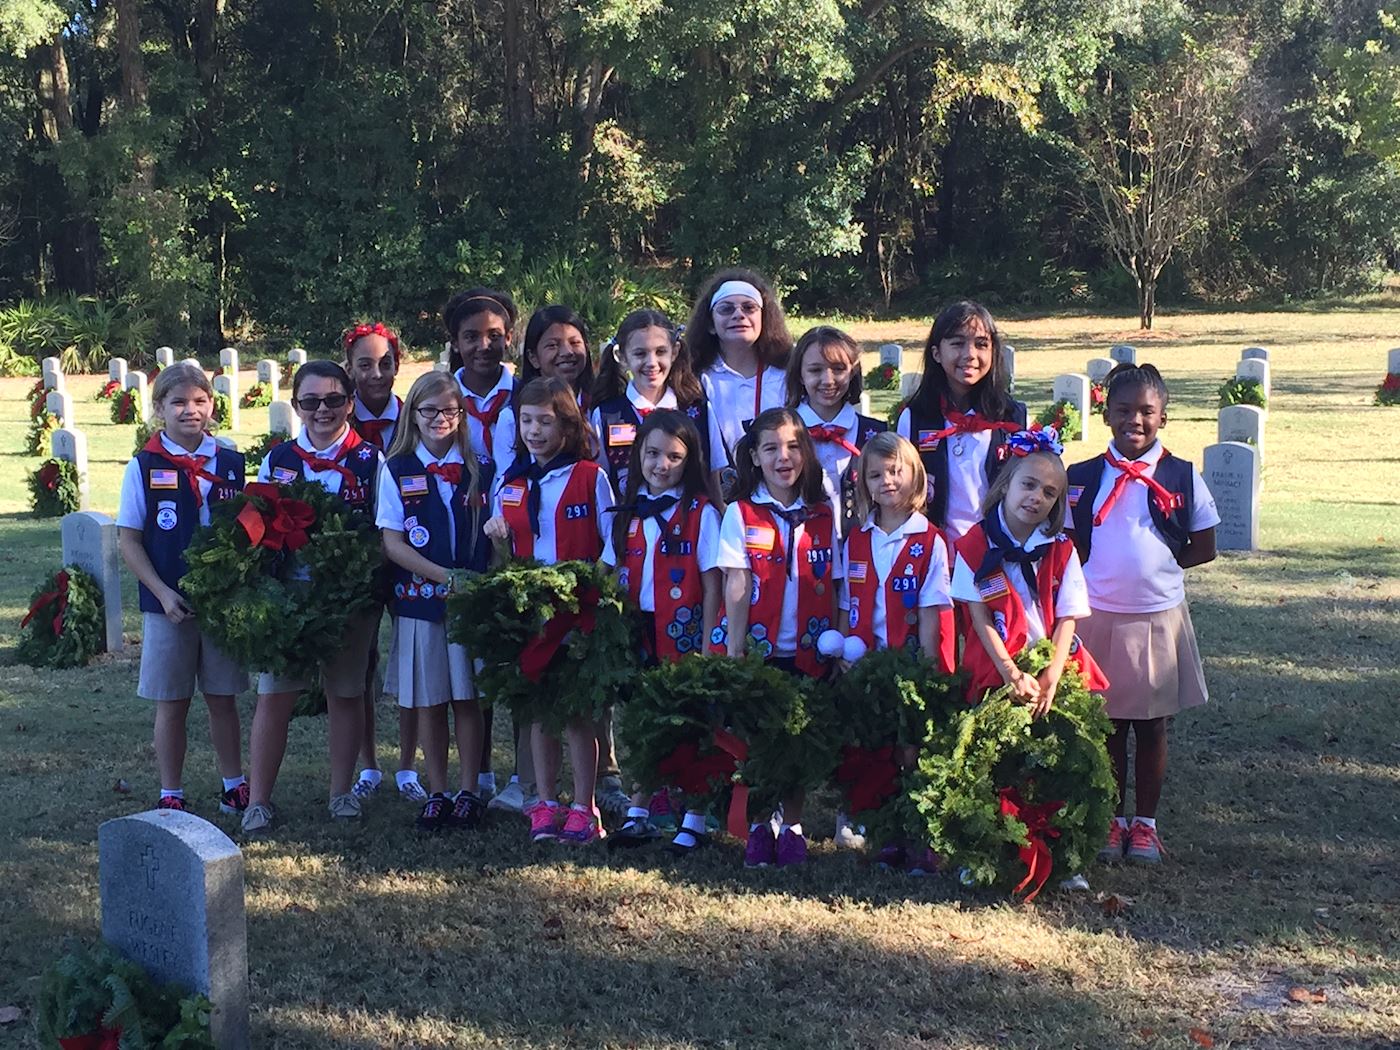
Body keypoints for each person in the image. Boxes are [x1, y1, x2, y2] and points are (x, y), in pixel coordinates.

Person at [1066, 364, 1219, 866]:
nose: (1135, 420)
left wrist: (1158, 570)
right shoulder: (1082, 476)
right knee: (1108, 724)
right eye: (1125, 409)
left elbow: (1203, 545)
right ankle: (1111, 819)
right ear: (1106, 413)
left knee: (1152, 726)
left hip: (1156, 615)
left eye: (1147, 412)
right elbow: (1067, 545)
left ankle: (1146, 824)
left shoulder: (1181, 475)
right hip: (1098, 614)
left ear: (1164, 417)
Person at [241, 361, 383, 833]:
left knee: (346, 692)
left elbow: (383, 529)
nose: (322, 410)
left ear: (349, 401)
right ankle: (258, 800)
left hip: (348, 599)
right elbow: (256, 522)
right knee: (275, 695)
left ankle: (341, 792)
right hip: (289, 596)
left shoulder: (369, 460)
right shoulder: (279, 460)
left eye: (333, 400)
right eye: (310, 401)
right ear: (297, 405)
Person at [484, 377, 616, 845]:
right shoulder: (514, 483)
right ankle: (544, 801)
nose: (534, 431)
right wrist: (497, 534)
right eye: (526, 421)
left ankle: (584, 805)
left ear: (567, 423)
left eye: (546, 421)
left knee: (578, 714)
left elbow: (612, 542)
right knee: (539, 711)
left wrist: (591, 589)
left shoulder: (588, 476)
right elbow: (509, 552)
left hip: (577, 613)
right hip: (531, 616)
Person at [116, 362, 247, 815]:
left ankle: (235, 783)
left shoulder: (230, 463)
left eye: (199, 401)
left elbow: (248, 528)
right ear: (159, 410)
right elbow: (129, 539)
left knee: (222, 697)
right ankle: (171, 789)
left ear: (211, 406)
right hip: (168, 603)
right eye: (178, 403)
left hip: (222, 603)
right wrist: (161, 591)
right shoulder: (145, 465)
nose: (190, 411)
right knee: (172, 701)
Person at [714, 407, 842, 867]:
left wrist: (841, 637)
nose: (783, 457)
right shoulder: (741, 513)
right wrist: (733, 644)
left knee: (796, 739)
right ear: (754, 456)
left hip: (809, 646)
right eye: (770, 448)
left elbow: (840, 581)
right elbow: (736, 581)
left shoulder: (825, 513)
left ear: (806, 453)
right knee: (757, 737)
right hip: (758, 645)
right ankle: (757, 825)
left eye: (792, 446)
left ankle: (792, 826)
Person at [378, 371, 494, 833]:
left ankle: (469, 790)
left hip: (470, 605)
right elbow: (392, 542)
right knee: (429, 701)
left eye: (449, 410)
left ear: (461, 416)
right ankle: (438, 790)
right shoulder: (397, 468)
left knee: (467, 697)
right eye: (429, 411)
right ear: (414, 415)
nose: (440, 419)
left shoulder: (479, 467)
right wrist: (444, 576)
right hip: (420, 602)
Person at [601, 410, 722, 848]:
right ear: (638, 456)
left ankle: (695, 813)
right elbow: (610, 571)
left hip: (686, 633)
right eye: (652, 454)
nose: (661, 465)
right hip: (641, 629)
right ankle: (640, 806)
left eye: (674, 456)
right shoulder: (627, 509)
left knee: (689, 722)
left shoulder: (702, 513)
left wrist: (711, 642)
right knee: (645, 720)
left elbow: (713, 585)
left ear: (690, 462)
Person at [949, 430, 1106, 710]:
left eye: (1049, 493)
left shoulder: (1062, 550)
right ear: (1007, 484)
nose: (1036, 497)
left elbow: (1067, 616)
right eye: (1028, 485)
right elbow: (980, 618)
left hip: (1050, 664)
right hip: (995, 669)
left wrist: (1052, 677)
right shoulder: (974, 545)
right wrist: (1011, 674)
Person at [445, 287, 522, 807]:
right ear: (455, 342)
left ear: (509, 338)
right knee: (474, 655)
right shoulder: (440, 399)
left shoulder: (528, 392)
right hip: (463, 536)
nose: (483, 346)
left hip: (521, 534)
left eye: (494, 335)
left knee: (517, 653)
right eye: (471, 336)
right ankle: (482, 770)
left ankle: (523, 774)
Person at [343, 322, 420, 805]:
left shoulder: (415, 415)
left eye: (386, 363)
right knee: (361, 664)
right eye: (365, 364)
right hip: (356, 558)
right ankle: (369, 764)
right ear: (349, 368)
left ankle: (409, 764)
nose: (376, 374)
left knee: (410, 660)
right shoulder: (336, 415)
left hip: (412, 550)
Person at [897, 301, 1026, 542]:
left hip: (996, 550)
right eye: (957, 343)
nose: (970, 355)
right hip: (935, 553)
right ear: (936, 353)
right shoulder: (915, 418)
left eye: (981, 344)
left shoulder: (1012, 416)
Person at [843, 432, 953, 670]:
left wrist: (928, 673)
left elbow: (930, 613)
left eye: (895, 471)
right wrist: (843, 654)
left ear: (915, 476)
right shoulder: (856, 541)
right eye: (875, 475)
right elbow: (846, 603)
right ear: (864, 483)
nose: (886, 481)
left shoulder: (930, 541)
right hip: (863, 669)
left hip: (911, 667)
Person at [684, 269, 792, 491]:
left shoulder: (785, 377)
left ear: (764, 318)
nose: (738, 315)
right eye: (726, 309)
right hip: (715, 501)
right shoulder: (694, 380)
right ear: (711, 324)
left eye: (749, 307)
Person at [590, 309, 712, 492]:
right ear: (621, 357)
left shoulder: (697, 410)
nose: (652, 362)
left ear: (674, 352)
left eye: (661, 351)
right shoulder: (607, 415)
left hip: (689, 517)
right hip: (630, 519)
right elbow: (601, 483)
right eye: (640, 354)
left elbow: (713, 477)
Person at [786, 324, 887, 535]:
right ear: (800, 375)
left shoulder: (876, 434)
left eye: (839, 369)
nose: (828, 380)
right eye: (815, 370)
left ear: (852, 373)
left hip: (864, 554)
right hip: (799, 554)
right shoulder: (783, 433)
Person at [519, 305, 594, 411]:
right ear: (533, 357)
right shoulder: (516, 414)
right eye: (552, 345)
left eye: (575, 342)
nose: (567, 352)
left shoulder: (604, 410)